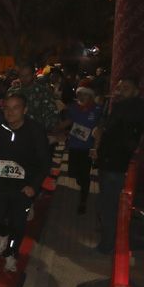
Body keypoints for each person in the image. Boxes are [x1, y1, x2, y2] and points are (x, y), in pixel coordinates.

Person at [0, 93, 50, 272]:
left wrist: (34, 186)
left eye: (15, 108)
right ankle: (3, 233)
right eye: (7, 108)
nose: (10, 112)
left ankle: (11, 254)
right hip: (1, 183)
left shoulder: (35, 130)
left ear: (24, 110)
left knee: (18, 224)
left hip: (23, 187)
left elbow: (44, 162)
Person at [93, 77, 144, 253]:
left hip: (114, 163)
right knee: (111, 205)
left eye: (126, 88)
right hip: (112, 161)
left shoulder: (130, 108)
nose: (120, 90)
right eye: (119, 87)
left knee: (110, 206)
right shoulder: (126, 107)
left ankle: (108, 244)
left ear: (135, 91)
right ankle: (113, 240)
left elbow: (112, 131)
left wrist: (102, 132)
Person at [60, 86, 101, 215]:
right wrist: (55, 128)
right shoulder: (73, 108)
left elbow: (100, 130)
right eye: (79, 94)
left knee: (84, 176)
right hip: (73, 146)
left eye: (85, 94)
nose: (82, 97)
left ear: (91, 96)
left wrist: (95, 148)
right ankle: (82, 183)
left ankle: (83, 201)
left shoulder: (97, 109)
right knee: (73, 173)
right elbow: (68, 121)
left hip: (87, 148)